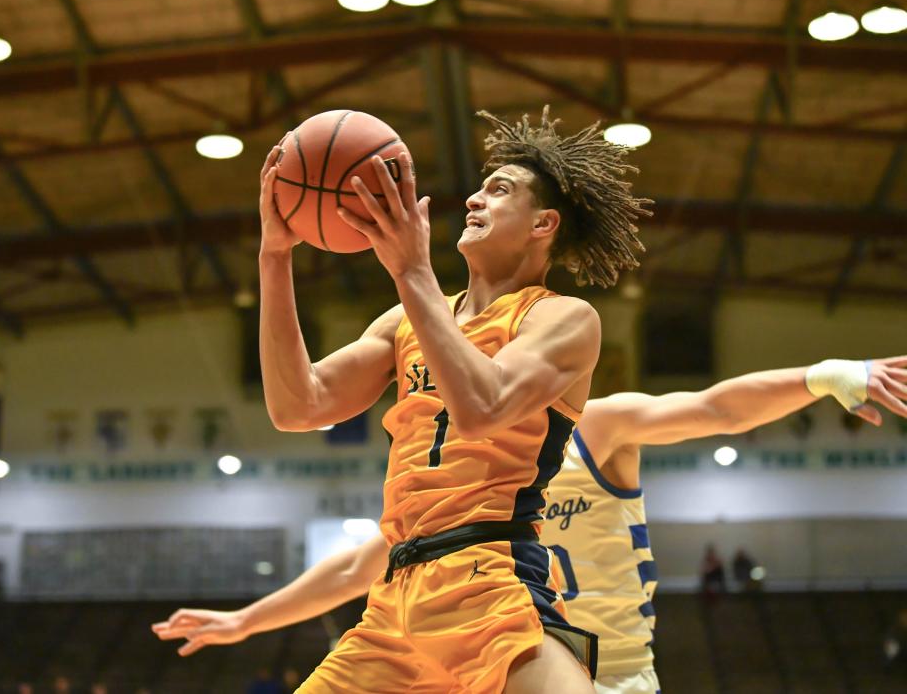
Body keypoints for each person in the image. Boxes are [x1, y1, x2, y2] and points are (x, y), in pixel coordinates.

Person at [175, 107, 646, 693]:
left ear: (543, 224)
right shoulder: (404, 321)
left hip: (490, 579)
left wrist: (411, 269)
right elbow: (298, 406)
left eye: (498, 191)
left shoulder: (562, 318)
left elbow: (482, 406)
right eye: (478, 187)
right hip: (394, 601)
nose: (474, 200)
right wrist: (275, 257)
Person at [154, 356, 907, 694]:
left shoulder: (598, 427)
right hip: (501, 670)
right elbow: (363, 564)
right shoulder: (469, 483)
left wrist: (822, 376)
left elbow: (716, 406)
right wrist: (247, 619)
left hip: (607, 677)